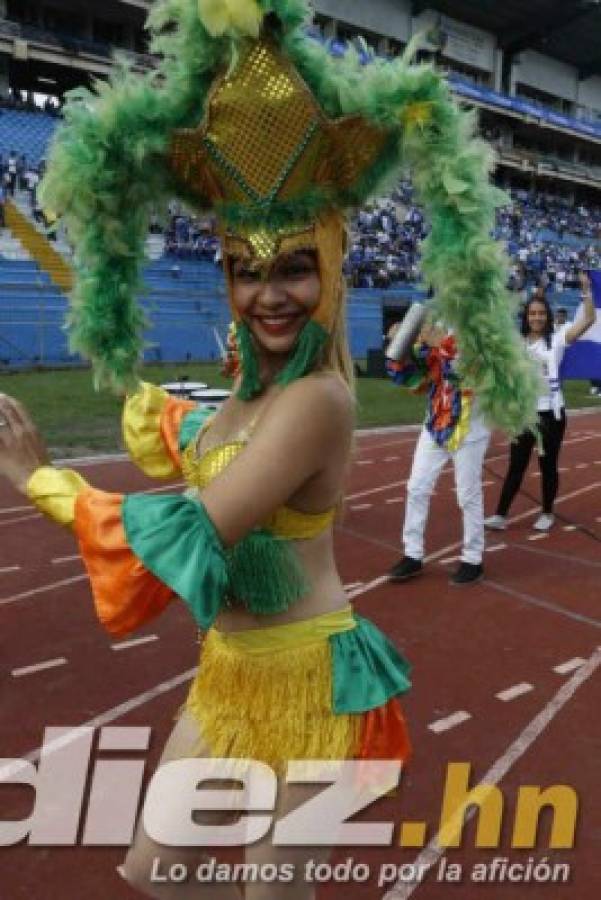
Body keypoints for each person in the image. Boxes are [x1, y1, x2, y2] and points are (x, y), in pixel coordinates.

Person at [0, 1, 540, 895]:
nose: (267, 294)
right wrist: (165, 415)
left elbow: (190, 528)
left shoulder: (319, 401)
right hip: (227, 678)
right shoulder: (251, 396)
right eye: (245, 271)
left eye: (292, 266)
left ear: (330, 262)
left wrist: (39, 479)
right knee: (154, 874)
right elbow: (198, 447)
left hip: (309, 687)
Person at [485, 275, 596, 533]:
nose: (537, 317)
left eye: (541, 313)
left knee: (548, 466)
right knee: (516, 465)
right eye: (532, 313)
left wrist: (586, 292)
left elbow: (588, 320)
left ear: (547, 317)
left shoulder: (556, 340)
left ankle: (547, 511)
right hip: (525, 414)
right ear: (526, 317)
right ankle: (501, 515)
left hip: (551, 415)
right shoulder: (517, 344)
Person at [387, 320, 490, 586]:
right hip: (435, 423)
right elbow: (416, 378)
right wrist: (402, 345)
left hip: (469, 426)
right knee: (416, 487)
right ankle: (412, 554)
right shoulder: (434, 323)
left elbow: (470, 374)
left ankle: (473, 558)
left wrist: (440, 343)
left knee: (467, 493)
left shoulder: (479, 326)